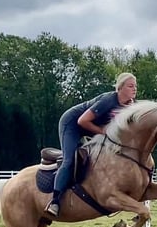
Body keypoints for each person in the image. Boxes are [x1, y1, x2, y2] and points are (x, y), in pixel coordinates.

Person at [45, 72, 137, 217]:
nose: (134, 89)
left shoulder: (131, 105)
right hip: (72, 124)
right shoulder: (108, 100)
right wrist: (101, 131)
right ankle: (55, 201)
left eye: (135, 86)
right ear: (120, 88)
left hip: (91, 127)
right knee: (69, 160)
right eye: (130, 86)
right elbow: (82, 121)